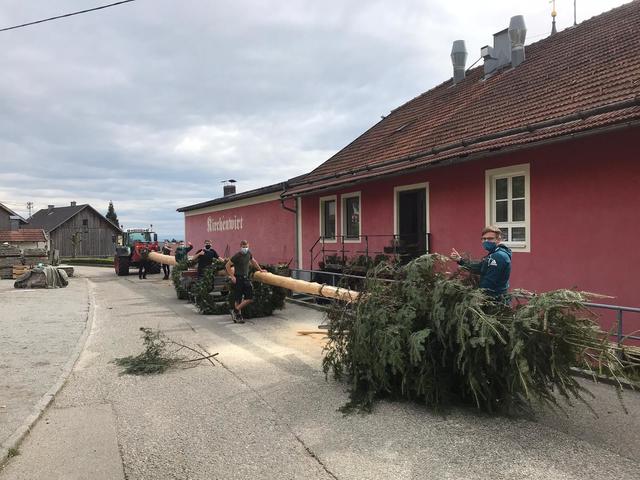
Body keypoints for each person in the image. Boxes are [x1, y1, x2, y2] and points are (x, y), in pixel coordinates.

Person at [450, 225, 512, 301]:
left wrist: (476, 296)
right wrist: (460, 260)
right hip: (493, 299)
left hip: (494, 302)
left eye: (490, 239)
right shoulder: (494, 254)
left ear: (498, 240)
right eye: (484, 239)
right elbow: (479, 267)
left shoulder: (498, 256)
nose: (486, 241)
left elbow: (489, 283)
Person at [225, 240, 266, 323]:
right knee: (238, 299)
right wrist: (232, 276)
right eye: (243, 247)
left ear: (248, 246)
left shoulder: (249, 253)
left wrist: (260, 270)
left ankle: (235, 310)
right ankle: (238, 316)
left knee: (249, 298)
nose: (245, 248)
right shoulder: (237, 256)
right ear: (240, 246)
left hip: (246, 278)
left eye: (246, 246)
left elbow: (253, 261)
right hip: (238, 278)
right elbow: (227, 265)